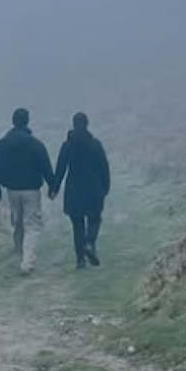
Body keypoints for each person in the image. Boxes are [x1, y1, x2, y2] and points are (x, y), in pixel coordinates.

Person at [0, 108, 57, 274]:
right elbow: (46, 168)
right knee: (32, 226)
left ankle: (20, 253)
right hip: (31, 191)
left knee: (18, 223)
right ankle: (27, 263)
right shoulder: (35, 144)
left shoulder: (2, 144)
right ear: (27, 121)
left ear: (13, 122)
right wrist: (52, 186)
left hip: (12, 190)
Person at [52, 112, 111, 271]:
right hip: (93, 189)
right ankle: (90, 243)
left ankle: (80, 261)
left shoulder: (67, 146)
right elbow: (104, 167)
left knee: (77, 225)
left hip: (74, 189)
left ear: (73, 124)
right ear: (87, 124)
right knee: (94, 219)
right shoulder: (95, 144)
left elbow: (60, 169)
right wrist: (105, 186)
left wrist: (54, 188)